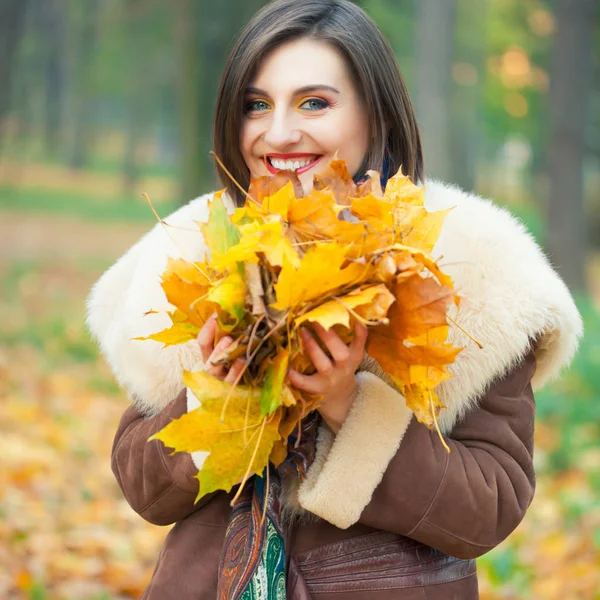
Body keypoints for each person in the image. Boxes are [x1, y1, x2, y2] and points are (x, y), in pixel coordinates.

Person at [87, 1, 583, 598]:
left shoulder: (470, 269)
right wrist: (216, 398)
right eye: (256, 105)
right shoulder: (193, 254)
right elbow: (145, 489)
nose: (278, 133)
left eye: (314, 103)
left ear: (377, 114)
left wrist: (351, 405)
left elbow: (490, 507)